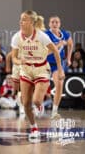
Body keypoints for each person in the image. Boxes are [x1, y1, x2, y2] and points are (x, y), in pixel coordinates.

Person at [11, 10, 65, 140]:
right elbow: (13, 58)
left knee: (36, 100)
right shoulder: (17, 37)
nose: (20, 22)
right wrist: (20, 61)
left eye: (24, 19)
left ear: (31, 22)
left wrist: (60, 69)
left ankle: (39, 105)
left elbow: (56, 51)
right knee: (26, 103)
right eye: (20, 19)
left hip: (41, 69)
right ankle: (34, 128)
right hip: (26, 70)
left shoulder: (41, 36)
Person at [45, 16, 73, 119]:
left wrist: (69, 58)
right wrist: (58, 45)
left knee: (60, 84)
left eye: (57, 22)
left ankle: (54, 111)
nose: (55, 24)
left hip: (58, 63)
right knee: (41, 86)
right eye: (52, 22)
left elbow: (71, 44)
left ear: (60, 24)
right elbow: (46, 52)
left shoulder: (65, 34)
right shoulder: (46, 34)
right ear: (49, 24)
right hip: (46, 63)